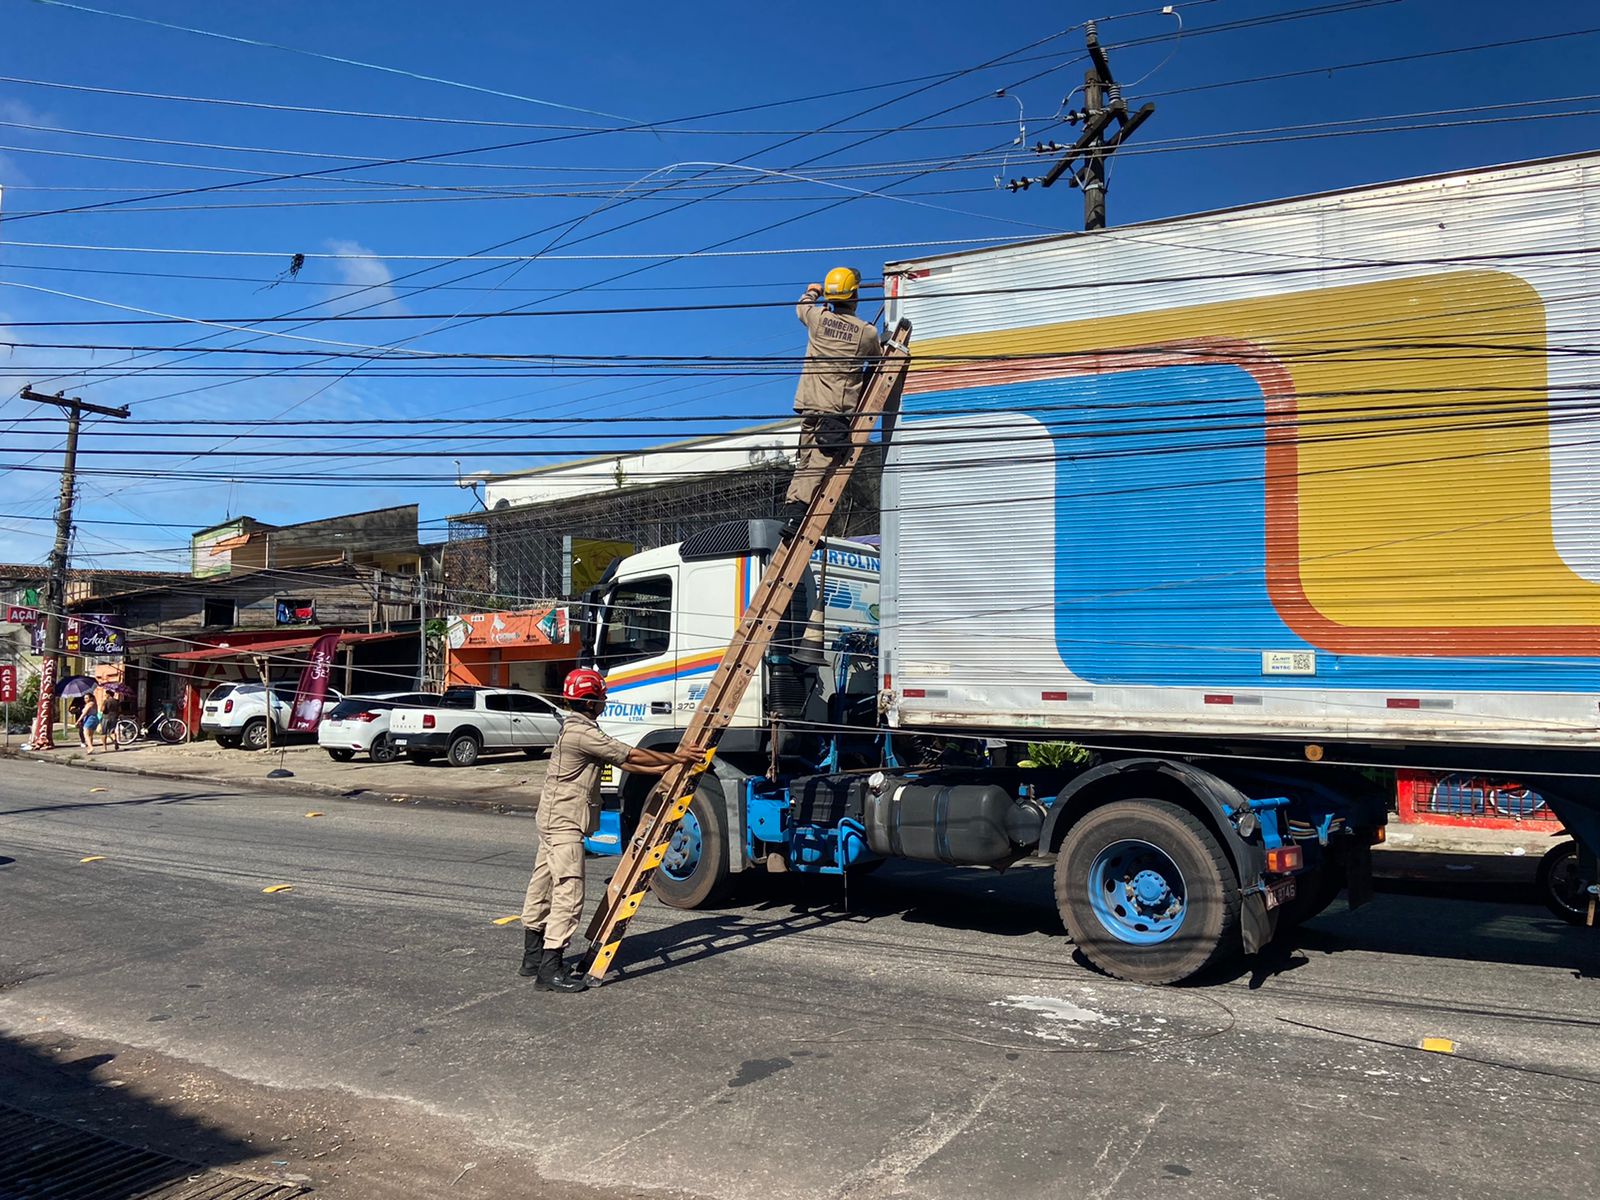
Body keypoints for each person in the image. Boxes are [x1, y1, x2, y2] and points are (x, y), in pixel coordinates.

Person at [519, 667, 699, 993]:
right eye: (600, 697)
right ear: (589, 702)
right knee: (568, 893)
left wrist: (672, 763)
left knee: (542, 884)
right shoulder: (584, 733)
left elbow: (628, 763)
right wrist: (678, 756)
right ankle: (549, 968)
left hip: (551, 818)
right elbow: (628, 755)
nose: (604, 702)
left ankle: (531, 957)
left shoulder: (573, 726)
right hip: (564, 824)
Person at [784, 267, 882, 523]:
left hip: (808, 403)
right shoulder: (866, 332)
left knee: (806, 460)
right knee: (819, 462)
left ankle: (794, 508)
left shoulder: (817, 318)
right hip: (836, 409)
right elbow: (878, 361)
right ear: (854, 296)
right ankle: (798, 512)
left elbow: (802, 307)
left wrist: (812, 291)